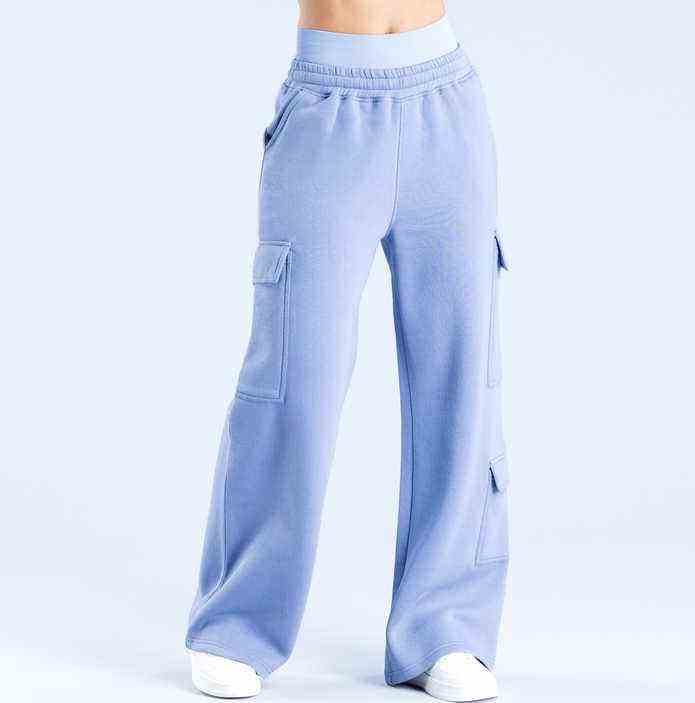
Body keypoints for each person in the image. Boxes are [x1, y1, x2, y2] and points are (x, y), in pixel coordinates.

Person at [185, 2, 510, 700]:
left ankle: (443, 627)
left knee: (460, 380)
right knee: (293, 381)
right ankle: (238, 623)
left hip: (445, 103)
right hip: (329, 106)